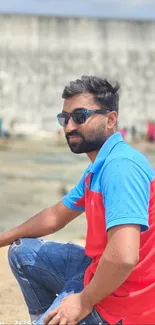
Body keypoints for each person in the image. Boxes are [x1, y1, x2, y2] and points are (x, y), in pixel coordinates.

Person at [0, 76, 155, 325]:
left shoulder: (121, 167)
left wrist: (83, 302)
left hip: (123, 302)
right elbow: (54, 216)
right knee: (21, 252)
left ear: (110, 119)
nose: (69, 126)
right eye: (65, 118)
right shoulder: (99, 166)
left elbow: (124, 257)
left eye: (80, 116)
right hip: (99, 273)